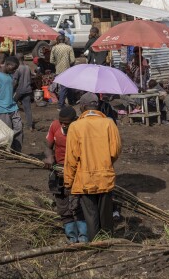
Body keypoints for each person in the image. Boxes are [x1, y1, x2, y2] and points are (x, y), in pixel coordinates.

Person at [64, 92, 122, 242]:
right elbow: (115, 150)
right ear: (97, 106)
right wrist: (105, 163)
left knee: (90, 215)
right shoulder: (109, 123)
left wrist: (68, 182)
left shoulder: (75, 126)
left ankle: (95, 242)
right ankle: (108, 240)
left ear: (82, 107)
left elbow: (71, 158)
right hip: (105, 176)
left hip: (84, 178)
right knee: (106, 213)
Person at [43, 106, 87, 243]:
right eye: (61, 122)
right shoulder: (55, 125)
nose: (63, 125)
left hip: (76, 170)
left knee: (78, 202)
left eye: (66, 123)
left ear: (75, 120)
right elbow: (48, 147)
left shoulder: (81, 128)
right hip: (58, 169)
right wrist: (49, 157)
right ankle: (71, 235)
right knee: (61, 201)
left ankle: (84, 235)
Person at [0, 56, 23, 152]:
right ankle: (6, 152)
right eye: (14, 67)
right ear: (8, 65)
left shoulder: (10, 76)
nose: (15, 70)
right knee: (6, 132)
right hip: (1, 108)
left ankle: (16, 151)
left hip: (13, 107)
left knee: (19, 128)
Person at [50, 35, 76, 108]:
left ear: (57, 41)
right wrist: (68, 63)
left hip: (58, 70)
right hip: (67, 70)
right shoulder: (69, 48)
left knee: (66, 86)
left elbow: (51, 60)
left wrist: (57, 63)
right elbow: (73, 60)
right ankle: (60, 104)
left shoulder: (54, 48)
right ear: (64, 40)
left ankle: (71, 101)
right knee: (64, 87)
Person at [12, 53, 34, 131]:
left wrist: (11, 90)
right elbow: (32, 76)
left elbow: (15, 82)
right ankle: (30, 126)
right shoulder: (27, 67)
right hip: (28, 90)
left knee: (11, 103)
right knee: (27, 108)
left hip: (19, 90)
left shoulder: (17, 69)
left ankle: (11, 122)